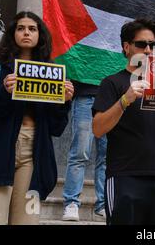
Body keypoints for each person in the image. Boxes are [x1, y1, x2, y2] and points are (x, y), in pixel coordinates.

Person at [0, 11, 74, 225]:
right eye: (21, 28)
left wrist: (64, 101)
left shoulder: (51, 71)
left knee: (27, 220)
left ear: (40, 35)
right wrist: (3, 91)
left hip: (34, 152)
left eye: (32, 29)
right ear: (12, 33)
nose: (26, 32)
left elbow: (56, 128)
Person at [92, 18, 155, 225]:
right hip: (125, 176)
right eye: (141, 44)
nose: (148, 50)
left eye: (152, 45)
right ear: (126, 47)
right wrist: (124, 100)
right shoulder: (112, 83)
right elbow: (98, 129)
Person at [62, 80, 107, 222]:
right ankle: (71, 203)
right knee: (79, 153)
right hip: (85, 94)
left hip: (110, 99)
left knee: (106, 156)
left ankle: (103, 204)